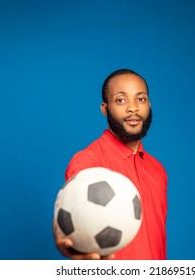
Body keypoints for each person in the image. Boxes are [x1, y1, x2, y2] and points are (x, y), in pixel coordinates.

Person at [53, 69, 167, 260]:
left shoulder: (157, 169)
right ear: (105, 109)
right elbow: (68, 221)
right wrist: (67, 244)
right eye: (121, 100)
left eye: (140, 99)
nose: (133, 108)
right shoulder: (88, 163)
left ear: (149, 104)